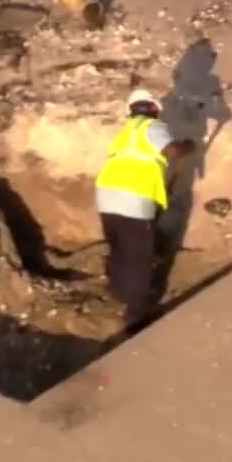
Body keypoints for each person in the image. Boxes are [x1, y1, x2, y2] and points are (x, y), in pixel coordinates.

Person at [95, 89, 196, 332]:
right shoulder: (153, 126)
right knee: (140, 259)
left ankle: (118, 291)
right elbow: (171, 151)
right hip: (133, 200)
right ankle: (136, 315)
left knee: (119, 248)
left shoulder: (124, 133)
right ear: (153, 108)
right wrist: (187, 146)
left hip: (106, 196)